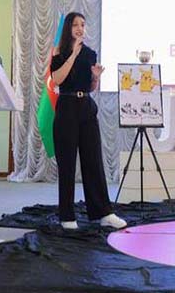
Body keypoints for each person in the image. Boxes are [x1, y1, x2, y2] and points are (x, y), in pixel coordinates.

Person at [51, 12, 126, 230]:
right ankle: (67, 216)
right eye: (75, 25)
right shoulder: (59, 53)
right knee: (67, 164)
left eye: (82, 25)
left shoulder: (90, 54)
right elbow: (57, 80)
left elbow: (90, 87)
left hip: (86, 107)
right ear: (68, 28)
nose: (80, 28)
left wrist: (95, 77)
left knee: (93, 161)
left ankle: (104, 213)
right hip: (66, 108)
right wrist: (73, 55)